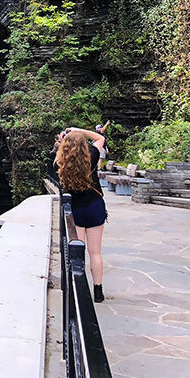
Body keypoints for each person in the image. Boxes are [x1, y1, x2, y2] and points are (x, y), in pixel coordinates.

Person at [53, 127, 108, 302]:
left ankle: (79, 289)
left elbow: (59, 154)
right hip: (94, 207)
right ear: (84, 145)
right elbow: (100, 138)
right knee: (95, 252)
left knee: (78, 252)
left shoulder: (60, 163)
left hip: (74, 210)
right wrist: (78, 131)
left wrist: (64, 139)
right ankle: (98, 291)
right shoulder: (91, 157)